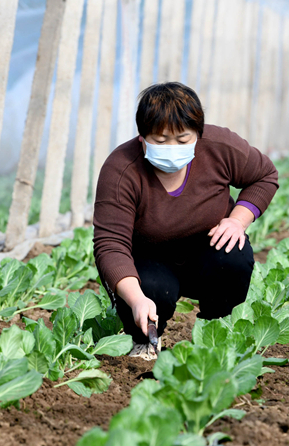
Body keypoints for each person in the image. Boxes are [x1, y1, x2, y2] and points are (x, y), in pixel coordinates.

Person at [93, 82, 279, 359]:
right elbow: (110, 245)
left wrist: (238, 220)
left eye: (182, 140)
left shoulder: (220, 147)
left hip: (206, 247)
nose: (171, 148)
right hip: (148, 257)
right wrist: (136, 298)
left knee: (233, 257)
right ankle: (144, 341)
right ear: (142, 139)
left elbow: (264, 175)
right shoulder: (121, 169)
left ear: (198, 136)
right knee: (151, 289)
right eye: (160, 140)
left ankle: (215, 332)